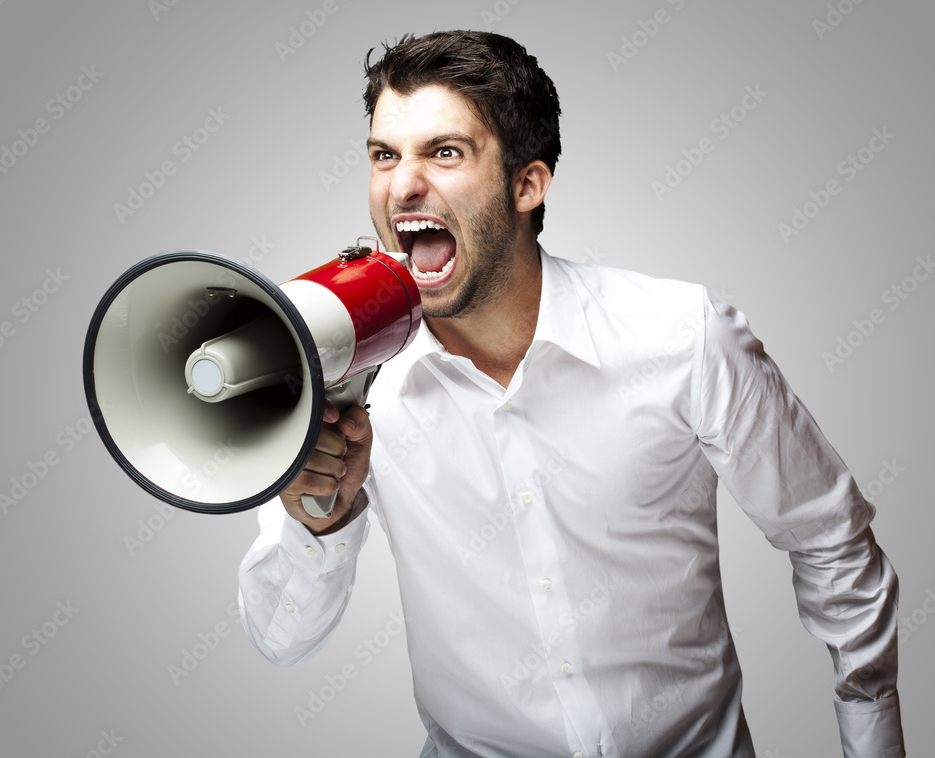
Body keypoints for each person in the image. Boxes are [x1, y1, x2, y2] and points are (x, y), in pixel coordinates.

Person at [238, 30, 905, 757]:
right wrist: (318, 519)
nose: (401, 187)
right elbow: (280, 638)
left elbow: (830, 538)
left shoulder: (682, 337)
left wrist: (872, 739)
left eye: (445, 153)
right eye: (384, 156)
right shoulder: (355, 380)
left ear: (528, 184)